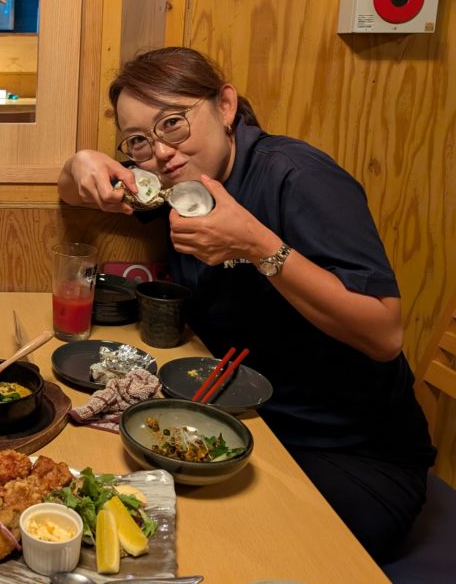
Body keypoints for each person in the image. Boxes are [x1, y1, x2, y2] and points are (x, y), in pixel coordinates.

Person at [59, 46, 435, 563]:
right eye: (139, 140)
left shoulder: (296, 176)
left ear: (226, 106)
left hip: (345, 450)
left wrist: (259, 247)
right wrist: (80, 162)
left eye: (174, 122)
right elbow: (75, 191)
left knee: (217, 551)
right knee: (113, 499)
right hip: (240, 424)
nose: (162, 151)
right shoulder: (175, 182)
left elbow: (384, 333)